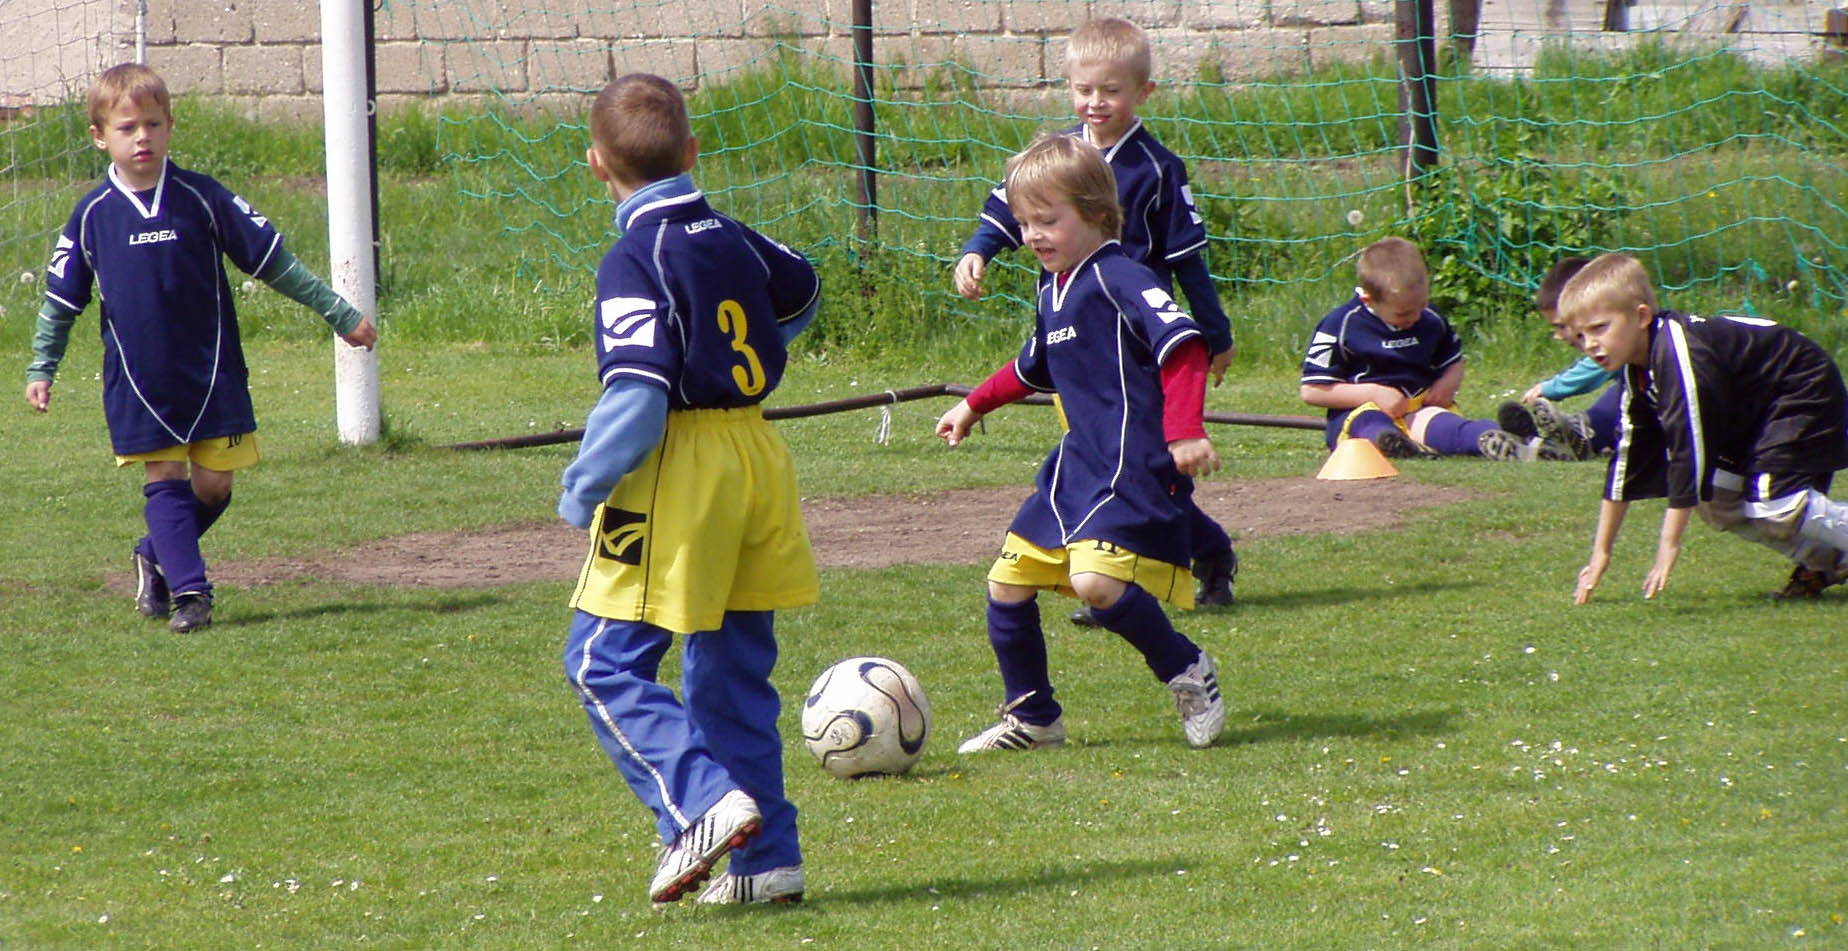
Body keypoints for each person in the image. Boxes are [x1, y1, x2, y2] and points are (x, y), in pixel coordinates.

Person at [557, 73, 820, 906]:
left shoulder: (634, 255)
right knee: (731, 669)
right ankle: (766, 862)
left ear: (596, 163)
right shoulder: (729, 234)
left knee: (602, 660)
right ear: (693, 151)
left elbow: (636, 395)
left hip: (682, 459)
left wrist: (584, 481)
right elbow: (803, 287)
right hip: (757, 452)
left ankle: (701, 804)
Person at [22, 63, 376, 634]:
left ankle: (155, 551)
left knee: (215, 487)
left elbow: (274, 264)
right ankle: (192, 594)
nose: (142, 137)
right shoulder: (90, 216)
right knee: (163, 476)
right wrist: (43, 366)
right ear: (99, 136)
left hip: (212, 371)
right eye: (128, 127)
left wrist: (337, 311)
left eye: (153, 125)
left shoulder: (202, 197)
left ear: (170, 127)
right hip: (140, 380)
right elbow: (61, 302)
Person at [936, 132, 1228, 753]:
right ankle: (1034, 719)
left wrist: (1184, 433)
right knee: (1006, 584)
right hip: (1075, 468)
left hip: (1132, 466)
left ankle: (1187, 670)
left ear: (1097, 214)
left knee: (1097, 585)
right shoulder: (1053, 286)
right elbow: (1032, 367)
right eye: (1022, 223)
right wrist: (971, 404)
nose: (1033, 235)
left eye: (1048, 220)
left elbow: (1185, 347)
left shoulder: (1122, 275)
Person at [952, 17, 1238, 619]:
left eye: (1110, 90)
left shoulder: (1158, 168)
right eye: (1084, 90)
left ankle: (1131, 568)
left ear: (1142, 94)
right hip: (1076, 340)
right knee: (1113, 461)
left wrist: (1214, 333)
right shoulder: (1052, 156)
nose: (1095, 102)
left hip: (1139, 344)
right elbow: (1006, 208)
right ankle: (1133, 560)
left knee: (1135, 462)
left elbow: (1188, 260)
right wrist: (978, 249)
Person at [1560, 252, 1848, 602]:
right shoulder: (1634, 371)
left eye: (1600, 327)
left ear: (1641, 316)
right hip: (1758, 410)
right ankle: (1828, 559)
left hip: (1801, 386)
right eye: (1581, 334)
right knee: (1716, 499)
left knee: (1775, 501)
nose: (1590, 344)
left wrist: (1669, 545)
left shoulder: (1680, 354)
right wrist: (1601, 553)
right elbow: (1626, 461)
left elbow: (1689, 451)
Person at [1300, 237, 1571, 462]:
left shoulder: (1430, 318)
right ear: (1368, 299)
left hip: (1419, 407)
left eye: (1422, 305)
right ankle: (1390, 444)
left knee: (1447, 426)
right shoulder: (1341, 324)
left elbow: (1454, 360)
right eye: (1404, 313)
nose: (1416, 316)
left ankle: (1508, 439)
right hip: (1361, 410)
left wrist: (1447, 384)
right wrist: (1374, 393)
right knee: (1370, 422)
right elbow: (1312, 390)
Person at [1494, 256, 1621, 460]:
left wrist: (1549, 388)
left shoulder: (1625, 340)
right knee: (1625, 391)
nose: (1557, 336)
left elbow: (1592, 370)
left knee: (1626, 393)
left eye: (1561, 326)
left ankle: (1579, 434)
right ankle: (1564, 439)